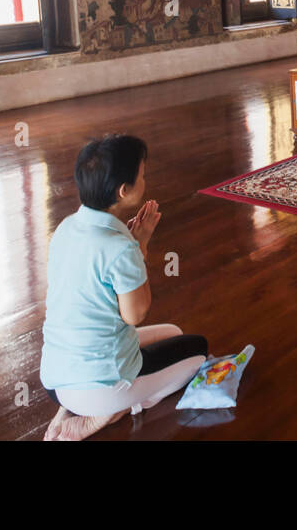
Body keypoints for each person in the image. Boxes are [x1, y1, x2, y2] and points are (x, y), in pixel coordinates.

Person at [40, 135, 208, 440]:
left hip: (55, 379)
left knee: (173, 333)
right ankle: (103, 415)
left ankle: (73, 407)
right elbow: (135, 314)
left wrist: (135, 244)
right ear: (124, 191)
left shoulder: (65, 228)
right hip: (101, 387)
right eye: (142, 175)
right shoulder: (119, 247)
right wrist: (137, 247)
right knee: (197, 353)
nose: (145, 179)